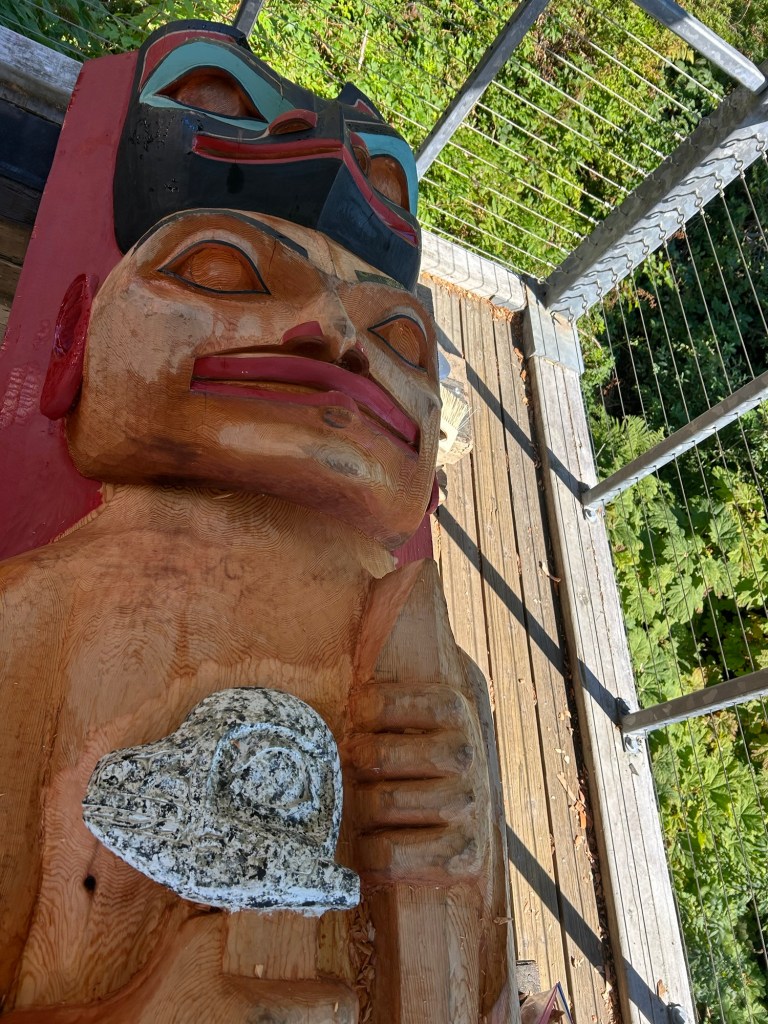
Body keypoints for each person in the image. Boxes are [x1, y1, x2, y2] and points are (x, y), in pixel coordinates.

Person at [0, 23, 511, 1023]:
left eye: (399, 335)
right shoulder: (35, 613)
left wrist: (461, 855)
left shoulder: (438, 677)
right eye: (223, 271)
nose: (340, 338)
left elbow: (474, 988)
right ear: (73, 351)